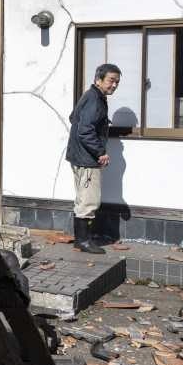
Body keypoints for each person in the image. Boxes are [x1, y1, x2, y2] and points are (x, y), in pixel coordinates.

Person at [66, 63, 120, 254]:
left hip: (80, 157)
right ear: (98, 80)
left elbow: (74, 118)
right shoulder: (94, 99)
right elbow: (85, 130)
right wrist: (100, 152)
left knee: (83, 198)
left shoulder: (91, 96)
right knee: (89, 200)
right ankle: (83, 241)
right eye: (111, 80)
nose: (114, 85)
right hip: (87, 159)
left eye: (117, 82)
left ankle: (82, 239)